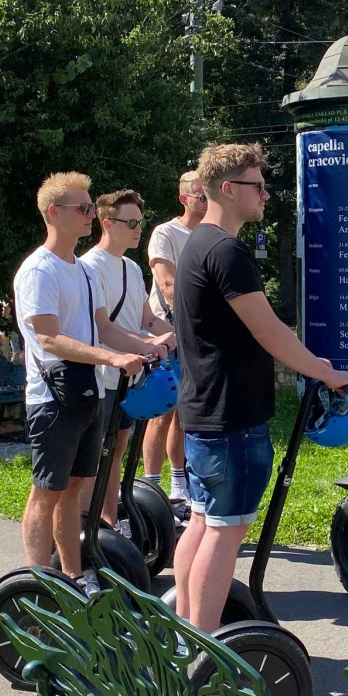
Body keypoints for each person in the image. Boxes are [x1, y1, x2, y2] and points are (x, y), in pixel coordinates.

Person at [171, 143, 348, 633]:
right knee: (226, 530)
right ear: (229, 190)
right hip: (231, 417)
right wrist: (326, 372)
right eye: (257, 186)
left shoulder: (197, 242)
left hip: (203, 412)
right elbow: (269, 330)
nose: (266, 195)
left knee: (202, 522)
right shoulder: (226, 250)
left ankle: (183, 634)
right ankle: (202, 651)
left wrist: (313, 363)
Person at [13, 172, 159, 594]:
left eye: (91, 206)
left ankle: (74, 576)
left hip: (87, 392)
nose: (91, 214)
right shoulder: (39, 270)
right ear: (53, 213)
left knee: (75, 489)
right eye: (83, 208)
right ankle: (38, 584)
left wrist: (146, 346)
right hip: (52, 398)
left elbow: (105, 328)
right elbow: (47, 337)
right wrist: (111, 357)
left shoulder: (83, 270)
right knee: (46, 491)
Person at [78, 189, 177, 528]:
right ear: (107, 223)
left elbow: (147, 319)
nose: (138, 229)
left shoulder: (132, 268)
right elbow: (101, 328)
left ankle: (111, 520)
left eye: (140, 222)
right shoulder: (90, 267)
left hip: (130, 376)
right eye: (131, 222)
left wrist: (183, 337)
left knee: (117, 450)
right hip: (101, 376)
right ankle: (86, 525)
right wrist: (146, 344)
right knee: (94, 458)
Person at [143, 170, 207, 504]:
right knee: (163, 409)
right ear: (184, 199)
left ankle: (179, 485)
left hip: (198, 334)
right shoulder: (164, 233)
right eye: (201, 196)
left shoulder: (212, 233)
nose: (207, 201)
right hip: (167, 331)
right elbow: (167, 285)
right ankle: (150, 488)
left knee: (186, 411)